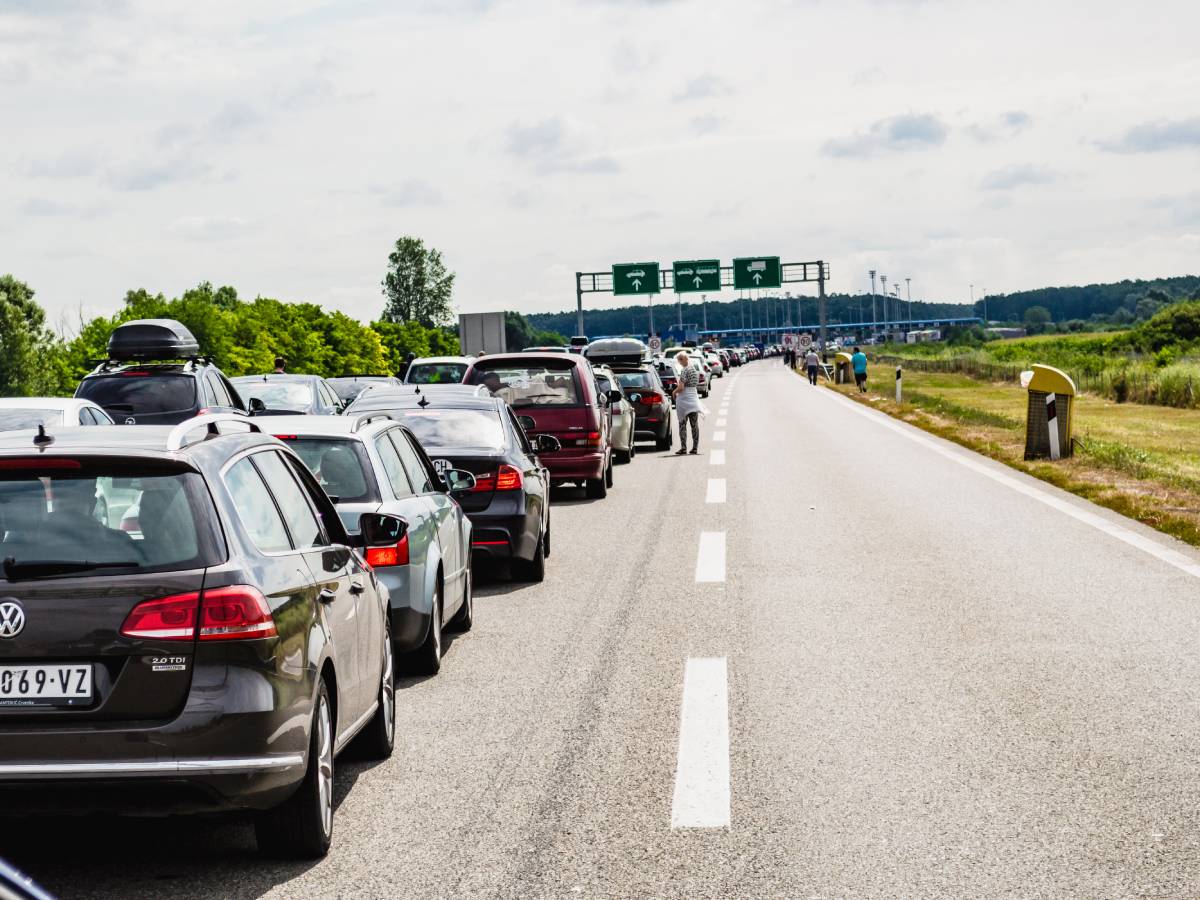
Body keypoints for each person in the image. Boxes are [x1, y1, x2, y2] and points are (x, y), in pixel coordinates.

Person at [672, 351, 701, 455]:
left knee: (682, 425)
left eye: (679, 360)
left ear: (682, 359)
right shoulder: (694, 369)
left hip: (684, 400)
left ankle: (683, 448)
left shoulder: (684, 370)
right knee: (694, 425)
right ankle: (695, 448)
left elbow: (681, 387)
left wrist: (674, 392)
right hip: (693, 399)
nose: (679, 362)